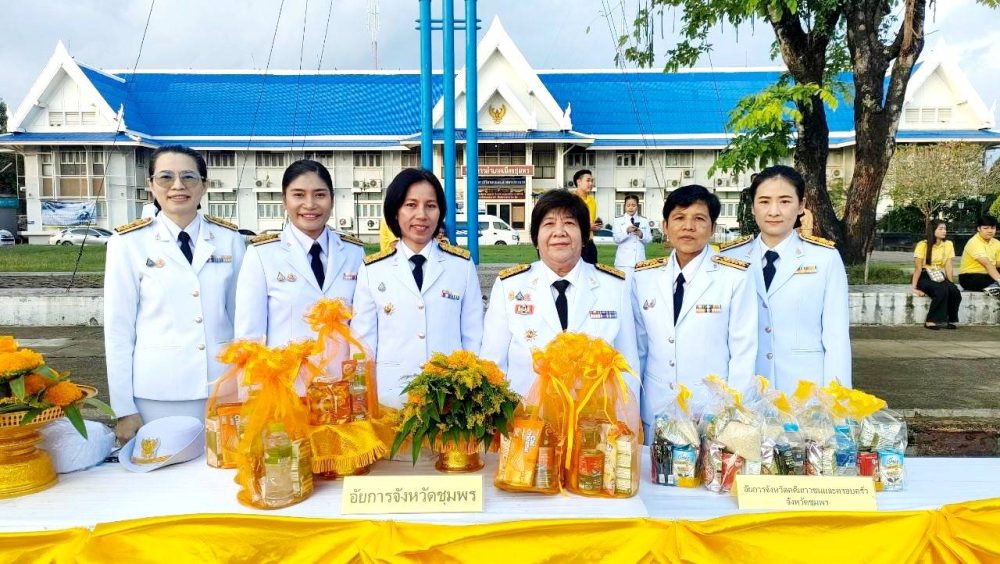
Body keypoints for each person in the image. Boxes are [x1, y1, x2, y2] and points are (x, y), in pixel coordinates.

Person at [104, 145, 245, 443]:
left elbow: (242, 320)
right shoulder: (128, 242)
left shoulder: (229, 239)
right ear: (151, 185)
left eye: (189, 177)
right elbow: (118, 330)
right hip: (157, 392)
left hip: (223, 388)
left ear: (204, 185)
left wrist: (248, 388)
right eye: (166, 177)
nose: (178, 186)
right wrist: (123, 408)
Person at [481, 189, 640, 398]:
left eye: (569, 223)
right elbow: (493, 364)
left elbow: (628, 365)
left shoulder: (614, 286)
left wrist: (627, 417)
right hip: (526, 415)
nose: (559, 232)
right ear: (536, 238)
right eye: (549, 224)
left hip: (595, 416)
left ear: (584, 236)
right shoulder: (510, 286)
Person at [352, 168, 483, 408]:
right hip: (390, 398)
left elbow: (473, 337)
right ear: (396, 211)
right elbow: (363, 343)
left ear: (440, 212)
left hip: (450, 398)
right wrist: (363, 400)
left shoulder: (461, 266)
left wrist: (471, 393)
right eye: (411, 205)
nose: (421, 215)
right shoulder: (373, 269)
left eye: (430, 206)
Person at [632, 185, 756, 433]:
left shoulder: (734, 276)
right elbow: (639, 351)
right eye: (679, 218)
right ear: (665, 226)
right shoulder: (644, 277)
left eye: (699, 219)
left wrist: (733, 415)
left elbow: (743, 352)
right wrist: (632, 408)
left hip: (710, 412)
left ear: (712, 228)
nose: (688, 226)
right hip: (655, 407)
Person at [719, 165, 851, 393]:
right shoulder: (730, 259)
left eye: (785, 201)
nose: (774, 211)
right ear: (753, 207)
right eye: (764, 201)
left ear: (801, 205)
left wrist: (838, 400)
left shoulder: (824, 258)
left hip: (804, 391)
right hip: (744, 389)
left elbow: (836, 337)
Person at [235, 159, 365, 346]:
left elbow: (363, 323)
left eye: (320, 195)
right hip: (285, 365)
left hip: (343, 365)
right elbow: (249, 335)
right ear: (284, 201)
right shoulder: (261, 255)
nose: (310, 204)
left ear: (332, 200)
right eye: (298, 195)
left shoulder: (354, 252)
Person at [911, 222, 962, 330]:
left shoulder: (948, 244)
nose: (944, 231)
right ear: (933, 231)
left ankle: (945, 320)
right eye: (940, 229)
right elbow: (918, 268)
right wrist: (914, 287)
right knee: (941, 290)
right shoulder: (923, 245)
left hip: (938, 274)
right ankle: (930, 321)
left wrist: (950, 283)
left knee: (954, 291)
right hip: (924, 275)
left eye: (945, 228)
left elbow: (948, 266)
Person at [958, 215, 1000, 295]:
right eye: (986, 228)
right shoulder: (974, 242)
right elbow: (987, 264)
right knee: (982, 279)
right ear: (978, 228)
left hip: (988, 275)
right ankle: (994, 287)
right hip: (970, 276)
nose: (990, 231)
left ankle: (993, 287)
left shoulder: (997, 243)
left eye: (992, 228)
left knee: (991, 277)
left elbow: (998, 264)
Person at [612, 193, 652, 271]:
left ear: (637, 206)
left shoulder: (644, 220)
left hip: (640, 261)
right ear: (625, 206)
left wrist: (641, 235)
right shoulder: (618, 220)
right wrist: (627, 231)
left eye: (633, 205)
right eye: (628, 205)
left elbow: (649, 239)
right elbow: (616, 239)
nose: (631, 208)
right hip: (623, 262)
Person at [572, 169, 602, 264]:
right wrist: (587, 227)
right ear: (579, 182)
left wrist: (594, 227)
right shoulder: (570, 200)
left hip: (589, 243)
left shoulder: (592, 201)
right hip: (574, 243)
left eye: (592, 181)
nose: (591, 183)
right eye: (588, 180)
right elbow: (568, 224)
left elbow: (591, 222)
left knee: (592, 270)